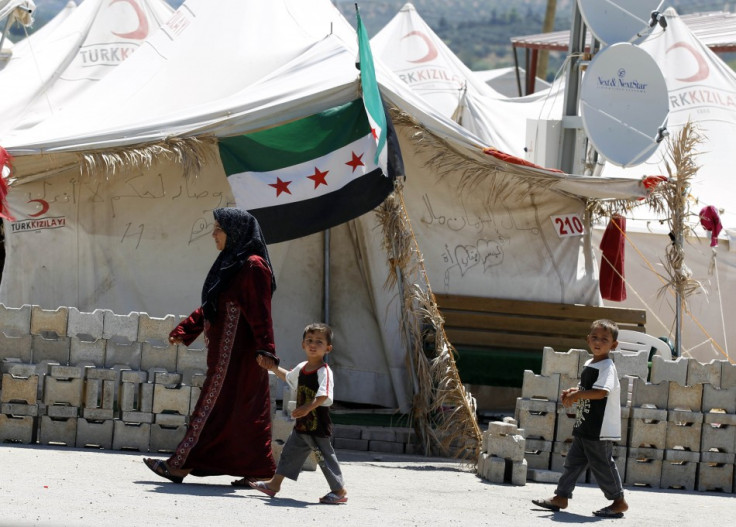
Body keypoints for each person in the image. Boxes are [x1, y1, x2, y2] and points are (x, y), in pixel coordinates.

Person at [143, 207, 279, 486]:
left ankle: (179, 465)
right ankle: (260, 469)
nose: (213, 234)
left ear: (235, 232)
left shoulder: (253, 266)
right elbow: (213, 305)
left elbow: (260, 312)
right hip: (226, 357)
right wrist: (186, 329)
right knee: (244, 414)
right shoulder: (231, 263)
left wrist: (267, 350)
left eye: (218, 228)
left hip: (237, 358)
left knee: (211, 407)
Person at [532, 319, 629, 519]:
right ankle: (561, 497)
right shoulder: (590, 364)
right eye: (594, 337)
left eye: (604, 339)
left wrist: (577, 396)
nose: (598, 342)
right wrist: (574, 391)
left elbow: (601, 392)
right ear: (587, 339)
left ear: (613, 345)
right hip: (586, 423)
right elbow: (588, 389)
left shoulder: (607, 367)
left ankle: (619, 501)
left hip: (599, 428)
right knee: (573, 462)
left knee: (602, 464)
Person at [249, 322, 348, 504]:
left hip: (318, 426)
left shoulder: (324, 371)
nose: (313, 344)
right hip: (303, 425)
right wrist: (271, 368)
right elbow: (288, 377)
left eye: (319, 341)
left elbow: (324, 394)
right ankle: (274, 484)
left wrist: (306, 408)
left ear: (328, 348)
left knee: (324, 457)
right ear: (303, 345)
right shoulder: (302, 367)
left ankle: (339, 490)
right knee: (289, 452)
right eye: (309, 340)